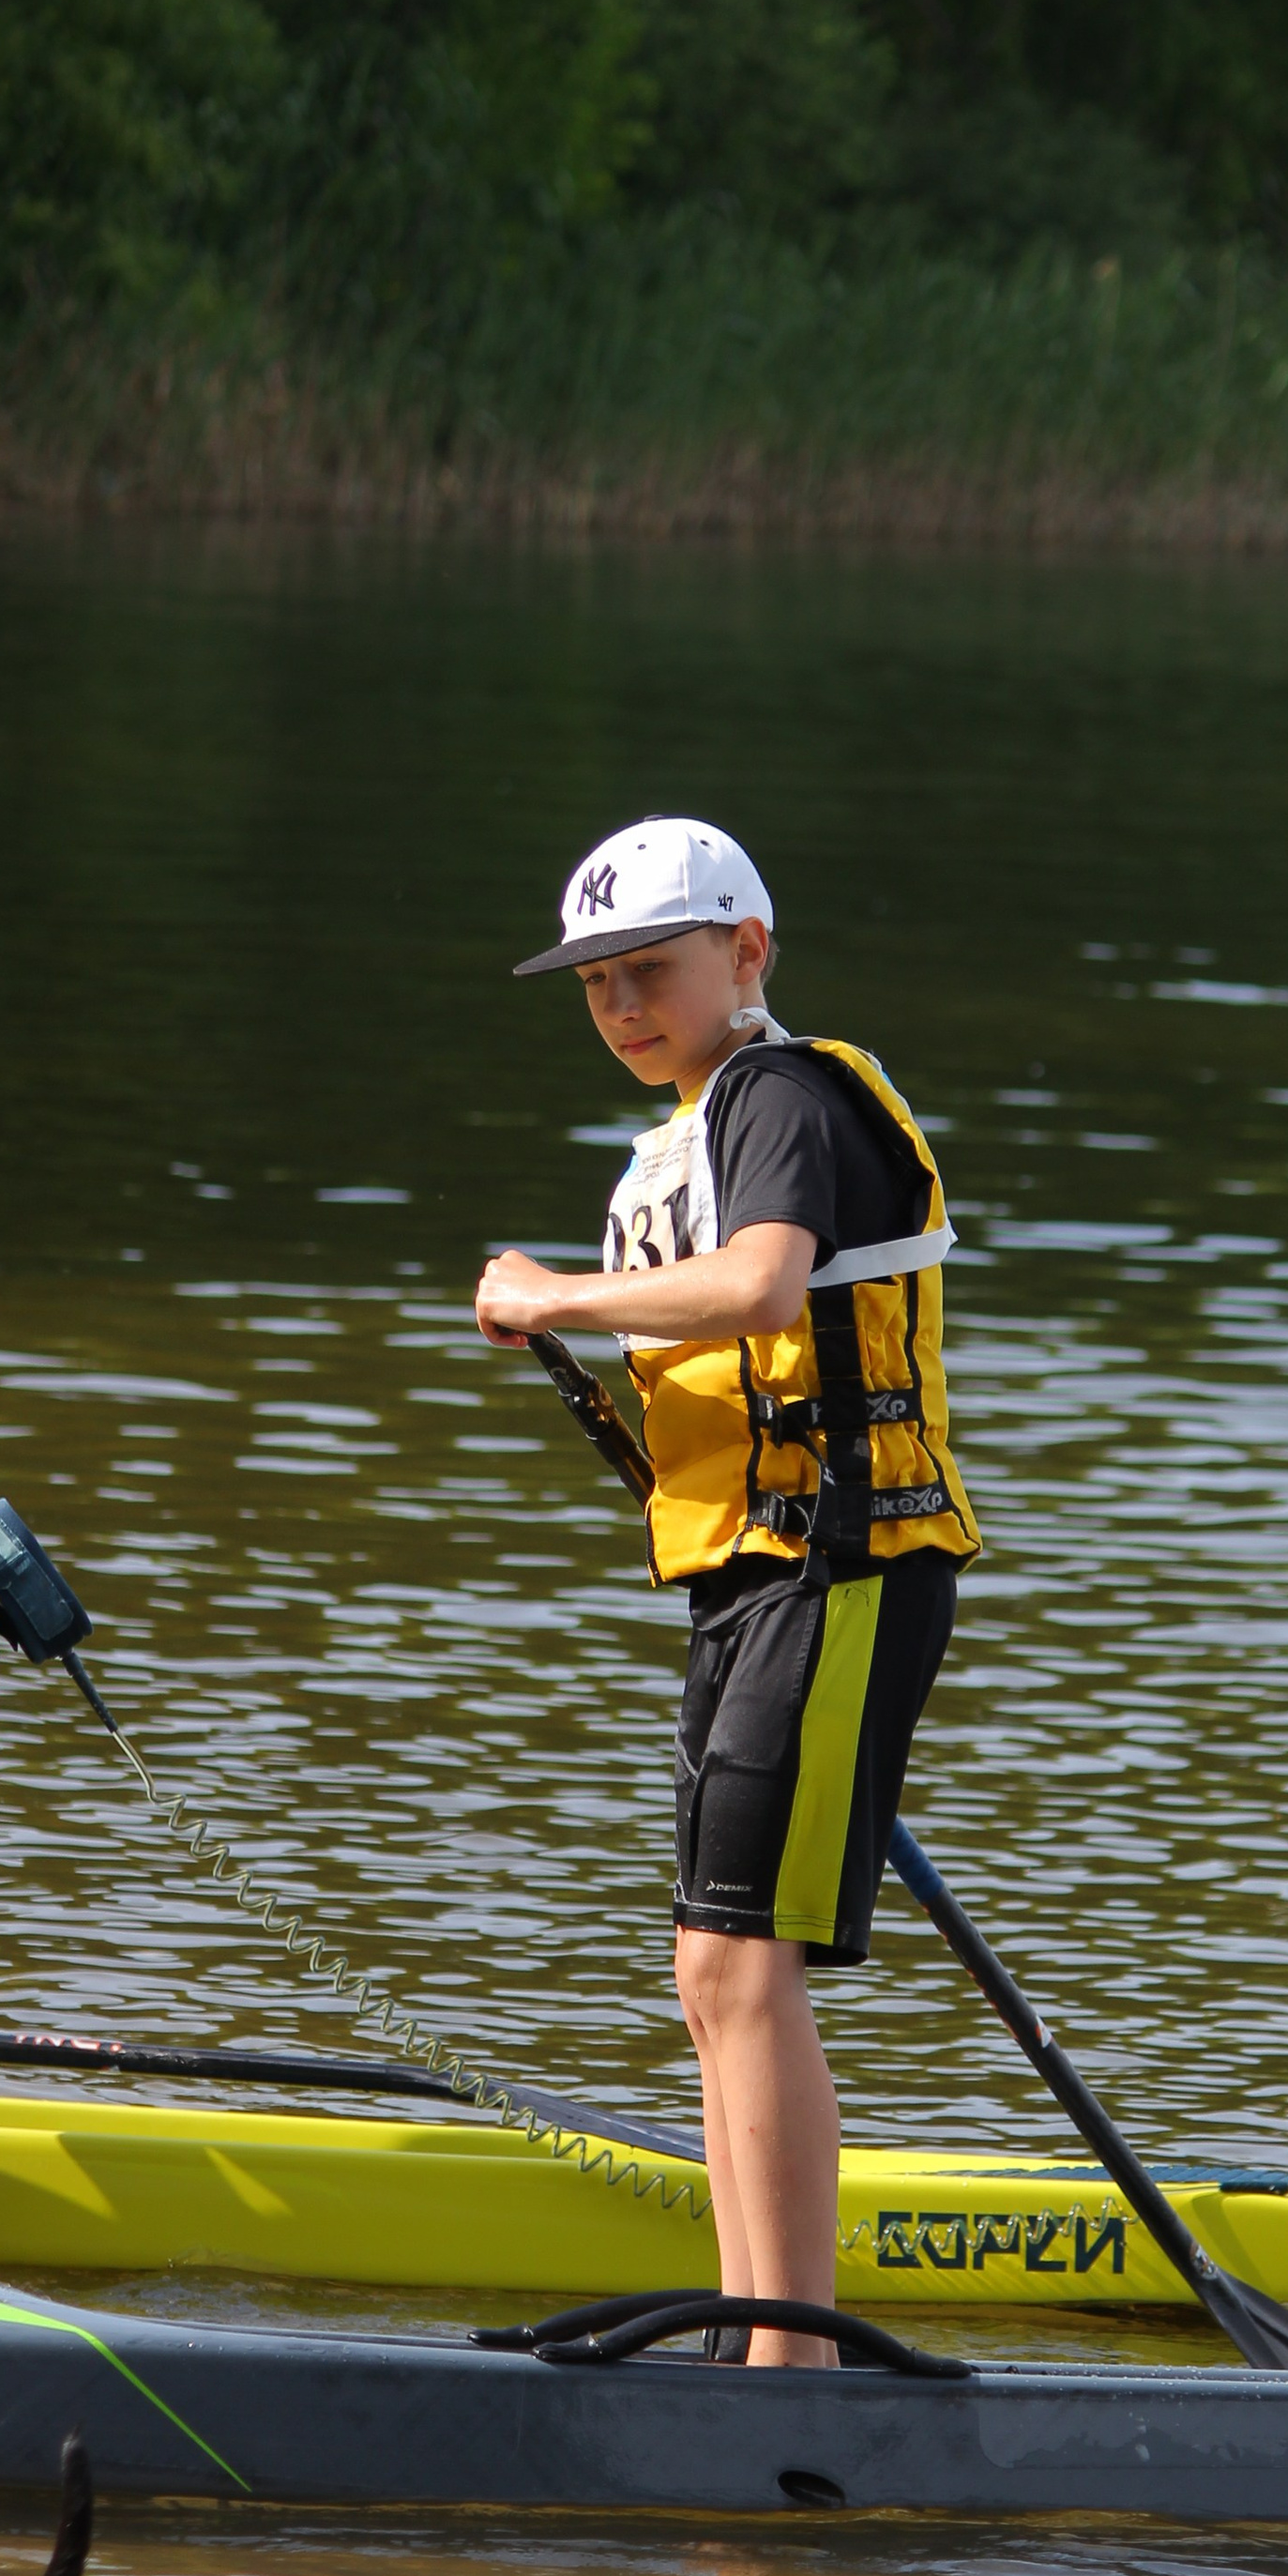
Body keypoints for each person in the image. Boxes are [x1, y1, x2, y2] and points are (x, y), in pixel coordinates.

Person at [474, 818, 978, 2365]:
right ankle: (759, 2334)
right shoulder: (698, 1126)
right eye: (598, 982)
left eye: (653, 971)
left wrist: (554, 1293)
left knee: (742, 1964)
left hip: (840, 1568)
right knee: (713, 1968)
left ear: (746, 954)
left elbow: (762, 1282)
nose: (623, 1005)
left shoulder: (779, 1090)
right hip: (751, 1578)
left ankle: (790, 2359)